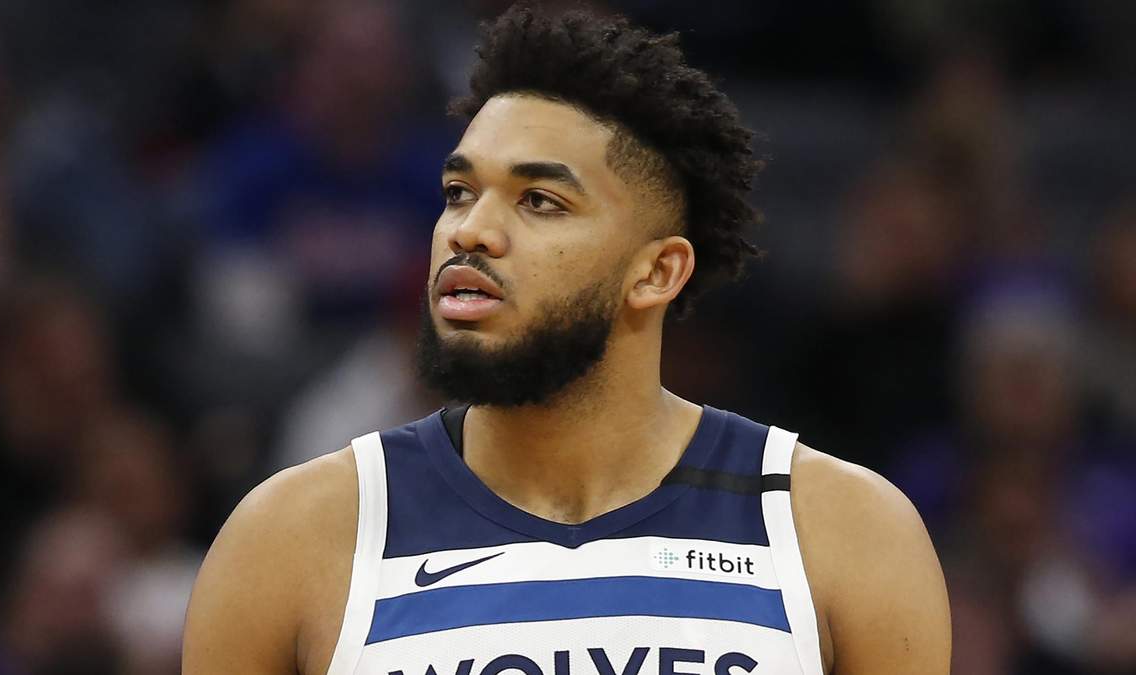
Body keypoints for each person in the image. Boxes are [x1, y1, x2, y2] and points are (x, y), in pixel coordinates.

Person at [182, 6, 950, 675]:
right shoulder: (292, 538)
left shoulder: (842, 530)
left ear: (656, 272)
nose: (470, 230)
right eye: (458, 191)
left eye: (540, 201)